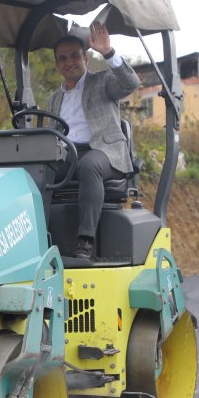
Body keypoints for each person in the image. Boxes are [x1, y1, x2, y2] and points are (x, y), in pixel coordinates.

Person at [46, 21, 140, 260]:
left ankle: (86, 240)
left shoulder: (103, 82)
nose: (69, 62)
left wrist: (108, 52)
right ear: (58, 64)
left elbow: (131, 83)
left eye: (75, 56)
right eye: (63, 58)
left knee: (89, 166)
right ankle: (39, 234)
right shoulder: (54, 99)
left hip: (103, 151)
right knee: (38, 171)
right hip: (68, 153)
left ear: (86, 59)